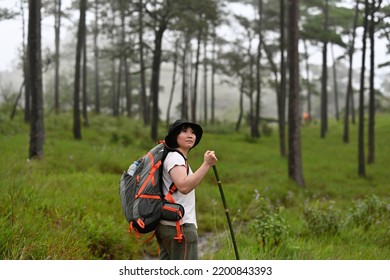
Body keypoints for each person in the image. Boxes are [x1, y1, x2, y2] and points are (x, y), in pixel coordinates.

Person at [156, 119, 218, 260]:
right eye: (184, 131)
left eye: (193, 132)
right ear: (174, 136)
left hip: (168, 225)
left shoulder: (174, 157)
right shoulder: (175, 158)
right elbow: (183, 186)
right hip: (180, 228)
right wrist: (207, 164)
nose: (190, 135)